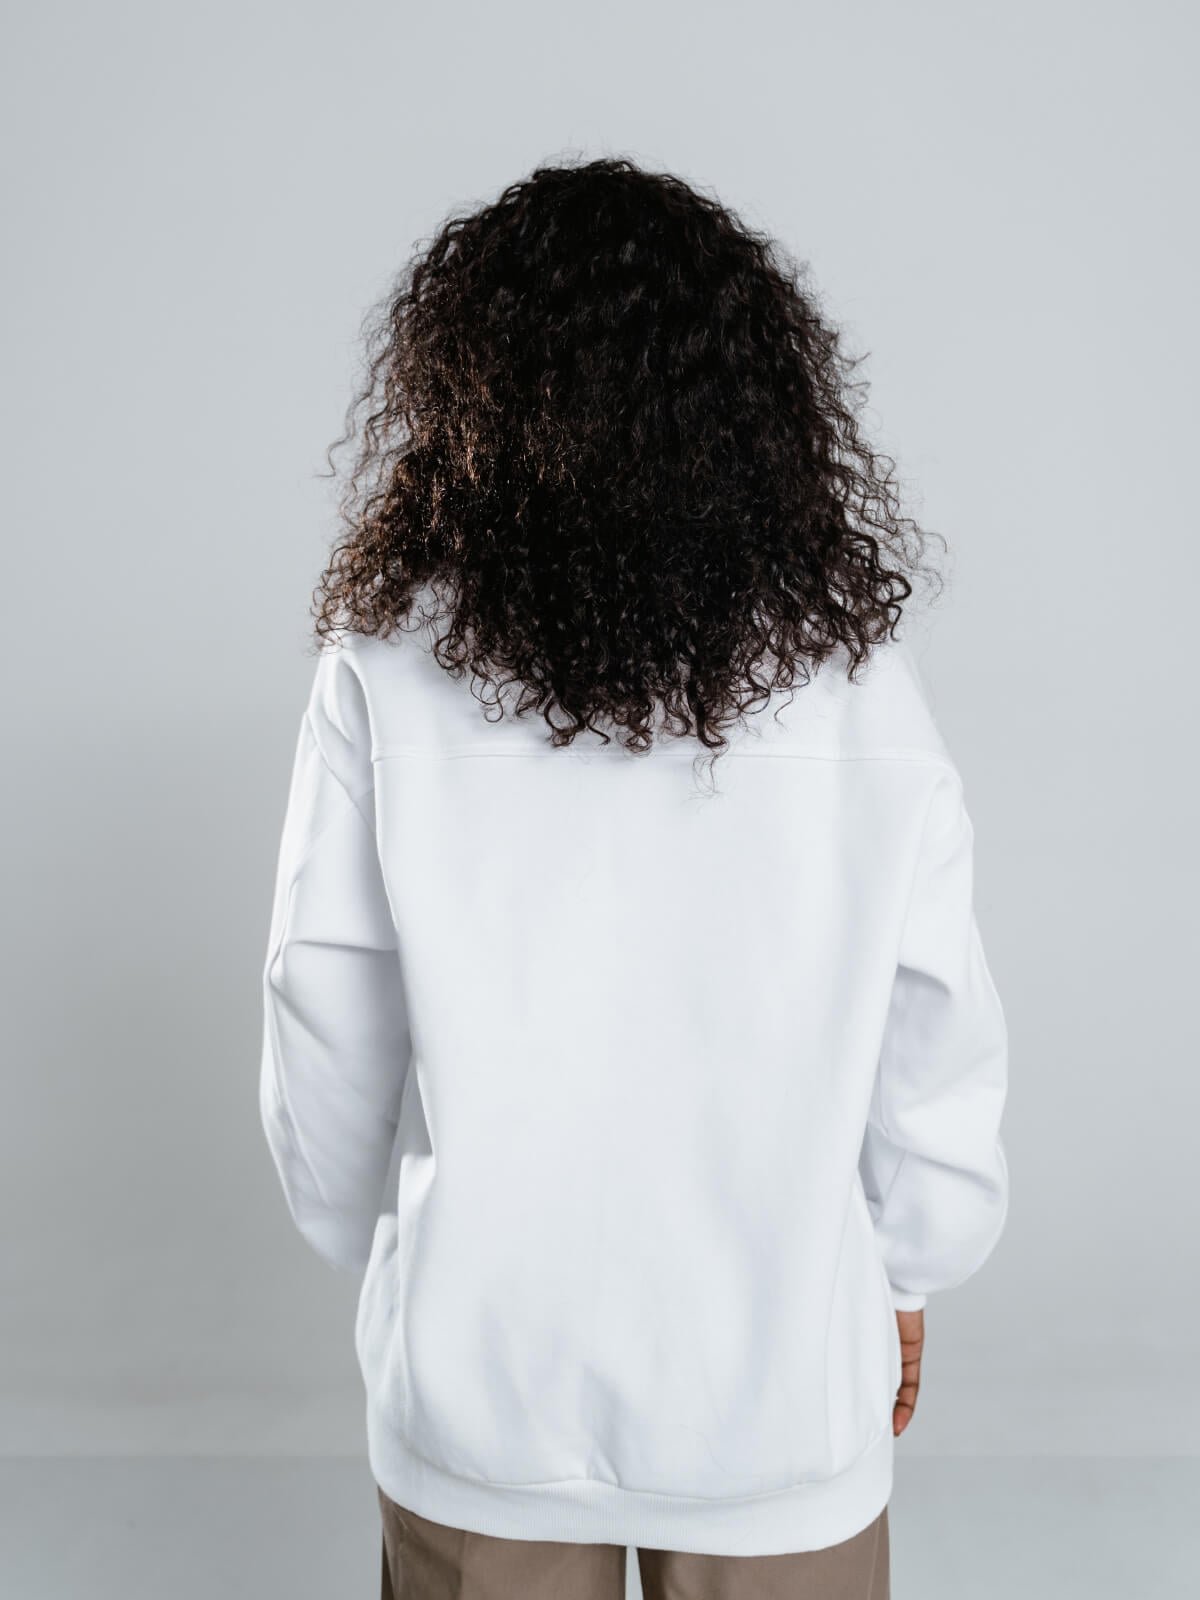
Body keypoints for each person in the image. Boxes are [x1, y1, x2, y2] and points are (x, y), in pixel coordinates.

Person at [258, 155, 1009, 1600]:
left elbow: (323, 998)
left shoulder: (386, 664)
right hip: (780, 1384)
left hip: (482, 1379)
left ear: (474, 391)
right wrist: (913, 1265)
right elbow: (936, 1018)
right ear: (756, 399)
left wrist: (386, 1248)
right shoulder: (854, 679)